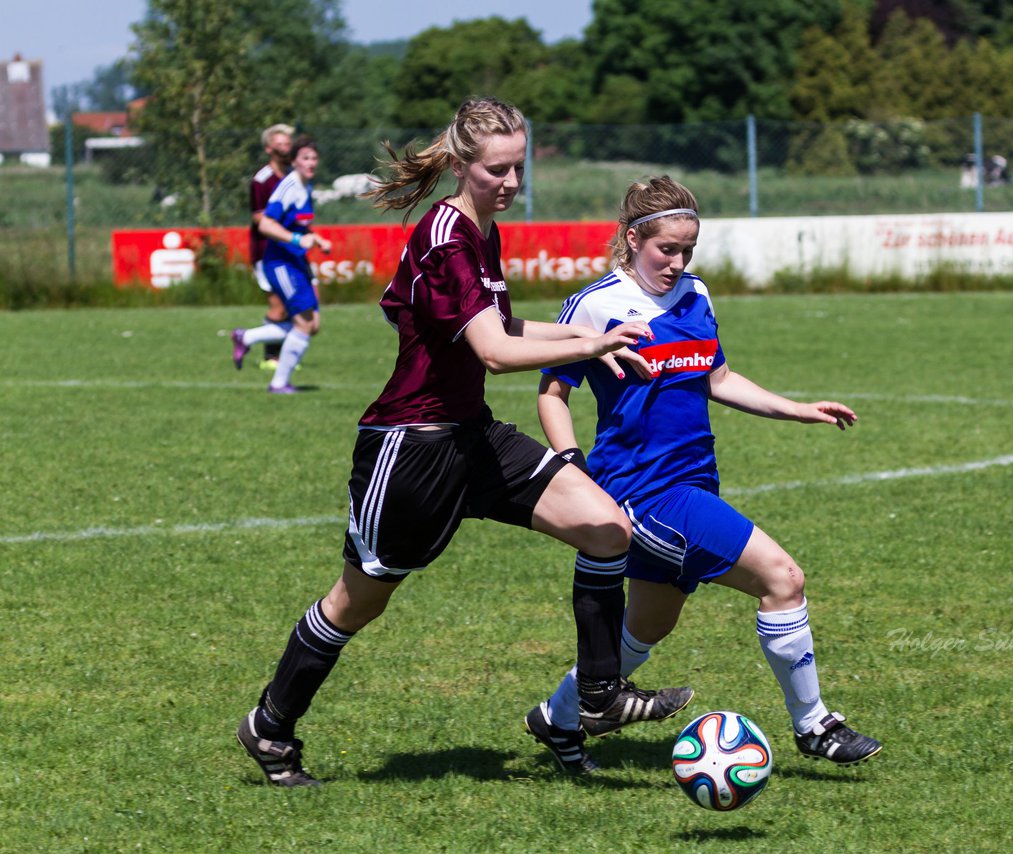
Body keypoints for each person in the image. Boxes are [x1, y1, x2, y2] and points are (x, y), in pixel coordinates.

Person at [236, 99, 692, 787]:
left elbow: (509, 324)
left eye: (517, 168)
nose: (510, 182)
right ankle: (270, 726)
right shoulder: (445, 237)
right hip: (411, 444)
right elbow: (495, 351)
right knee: (360, 599)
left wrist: (597, 338)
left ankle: (598, 695)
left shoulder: (484, 232)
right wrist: (592, 341)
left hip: (470, 434)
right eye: (497, 170)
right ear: (461, 164)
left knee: (605, 527)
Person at [525, 176, 883, 772]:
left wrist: (796, 409)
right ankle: (815, 725)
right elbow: (553, 393)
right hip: (644, 491)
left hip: (695, 479)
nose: (678, 261)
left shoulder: (697, 296)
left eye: (688, 249)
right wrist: (570, 467)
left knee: (647, 628)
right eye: (667, 249)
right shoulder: (597, 304)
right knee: (782, 578)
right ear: (633, 238)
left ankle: (558, 718)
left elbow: (715, 379)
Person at [231, 136, 332, 393]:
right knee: (303, 323)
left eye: (313, 158)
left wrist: (315, 238)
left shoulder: (305, 186)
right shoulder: (289, 186)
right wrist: (298, 239)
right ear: (294, 161)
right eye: (305, 158)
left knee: (313, 325)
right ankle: (279, 383)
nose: (310, 163)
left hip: (296, 260)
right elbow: (265, 224)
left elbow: (298, 224)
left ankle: (248, 337)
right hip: (279, 263)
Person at [247, 123, 294, 371]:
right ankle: (270, 357)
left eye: (288, 143)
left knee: (291, 304)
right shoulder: (262, 179)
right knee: (279, 306)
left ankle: (280, 356)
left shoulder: (292, 177)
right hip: (266, 252)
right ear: (269, 148)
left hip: (287, 250)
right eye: (280, 144)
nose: (286, 148)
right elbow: (258, 217)